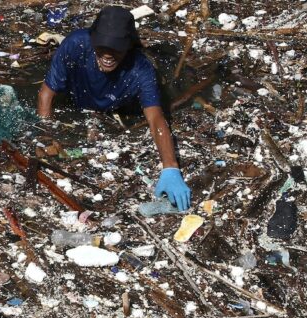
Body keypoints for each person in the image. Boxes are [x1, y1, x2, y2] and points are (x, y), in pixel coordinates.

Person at [37, 6, 192, 211]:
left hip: (116, 106)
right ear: (93, 40)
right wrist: (46, 135)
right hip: (79, 97)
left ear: (127, 47)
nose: (108, 55)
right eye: (102, 47)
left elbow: (155, 118)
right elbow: (46, 94)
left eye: (116, 49)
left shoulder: (140, 69)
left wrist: (171, 167)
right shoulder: (75, 44)